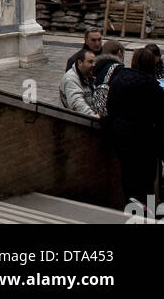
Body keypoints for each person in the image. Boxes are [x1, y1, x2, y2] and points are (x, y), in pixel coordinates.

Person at [106, 45, 164, 208]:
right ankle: (149, 213)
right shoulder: (152, 87)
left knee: (129, 178)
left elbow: (110, 107)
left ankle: (130, 207)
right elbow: (160, 118)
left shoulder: (118, 79)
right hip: (144, 142)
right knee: (146, 183)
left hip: (120, 138)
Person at [59, 47, 98, 117]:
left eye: (94, 62)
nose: (94, 65)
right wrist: (93, 116)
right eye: (90, 62)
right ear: (80, 62)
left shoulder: (87, 75)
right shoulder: (70, 79)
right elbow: (76, 102)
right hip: (75, 122)